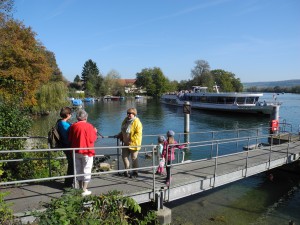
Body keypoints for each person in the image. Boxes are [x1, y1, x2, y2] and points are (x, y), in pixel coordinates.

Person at [68, 109, 98, 196]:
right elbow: (93, 139)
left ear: (77, 118)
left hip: (76, 151)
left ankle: (80, 188)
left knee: (78, 169)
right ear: (86, 117)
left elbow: (70, 139)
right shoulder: (89, 126)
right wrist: (95, 132)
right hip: (87, 151)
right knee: (87, 170)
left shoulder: (73, 126)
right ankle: (84, 190)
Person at [116, 108, 143, 178]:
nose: (128, 114)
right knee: (124, 156)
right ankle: (126, 171)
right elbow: (123, 130)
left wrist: (131, 140)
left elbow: (138, 133)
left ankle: (135, 172)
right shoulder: (126, 120)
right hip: (125, 143)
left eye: (130, 113)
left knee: (134, 158)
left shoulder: (137, 122)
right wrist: (120, 134)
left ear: (134, 114)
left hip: (133, 143)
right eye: (127, 113)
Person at [57, 107, 73, 188]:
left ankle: (69, 183)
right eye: (70, 114)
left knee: (71, 164)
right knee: (72, 165)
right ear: (67, 115)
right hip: (68, 146)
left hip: (64, 145)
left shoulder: (60, 122)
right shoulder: (65, 124)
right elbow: (72, 132)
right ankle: (68, 185)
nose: (71, 115)